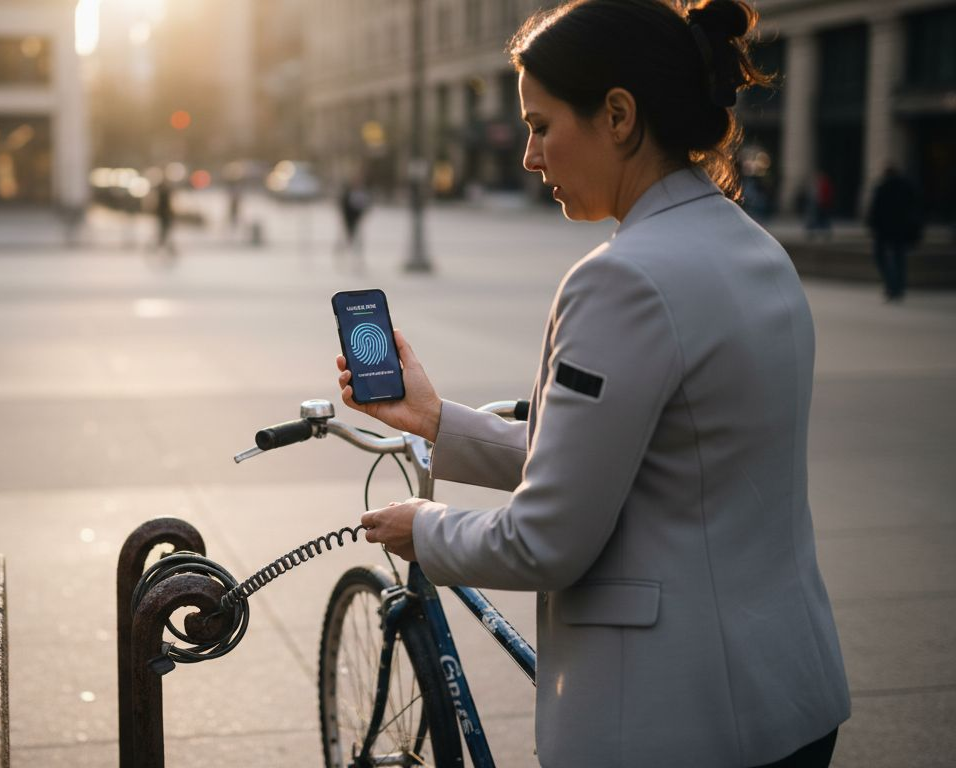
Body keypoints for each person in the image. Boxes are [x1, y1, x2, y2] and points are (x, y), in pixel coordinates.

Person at [337, 1, 850, 766]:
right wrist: (438, 420)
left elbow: (547, 541)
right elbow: (645, 465)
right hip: (788, 694)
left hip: (671, 719)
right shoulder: (754, 250)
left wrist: (426, 530)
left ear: (617, 115)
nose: (529, 157)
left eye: (542, 127)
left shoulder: (622, 281)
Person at [865, 166, 921, 302]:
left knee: (882, 257)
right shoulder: (907, 187)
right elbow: (915, 208)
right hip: (900, 230)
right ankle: (898, 286)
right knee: (899, 258)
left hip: (884, 230)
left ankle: (892, 285)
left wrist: (872, 226)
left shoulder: (883, 187)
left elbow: (875, 209)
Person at [334, 175, 371, 265]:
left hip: (357, 219)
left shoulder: (362, 193)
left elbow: (366, 204)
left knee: (357, 239)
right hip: (348, 219)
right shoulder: (348, 193)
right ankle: (342, 257)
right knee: (347, 238)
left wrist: (362, 214)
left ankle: (357, 259)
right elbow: (343, 205)